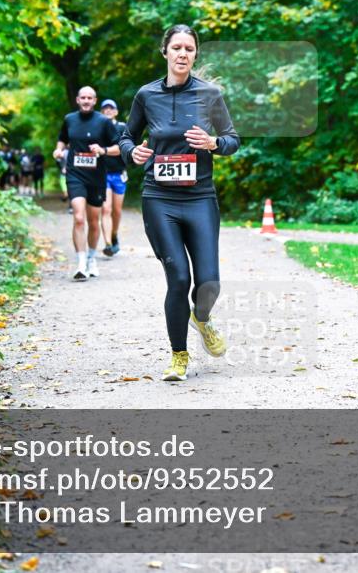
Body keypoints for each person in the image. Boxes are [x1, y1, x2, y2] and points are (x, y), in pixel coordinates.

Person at [119, 24, 240, 381]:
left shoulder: (210, 94)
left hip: (200, 197)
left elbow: (233, 139)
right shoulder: (146, 95)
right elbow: (127, 137)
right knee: (178, 278)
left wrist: (213, 144)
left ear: (195, 54)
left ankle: (201, 319)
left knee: (208, 283)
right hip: (160, 198)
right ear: (165, 52)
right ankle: (179, 356)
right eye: (177, 48)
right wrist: (134, 152)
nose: (183, 54)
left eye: (189, 48)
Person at [53, 86, 121, 281]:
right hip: (75, 174)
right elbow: (62, 140)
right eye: (83, 97)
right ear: (77, 100)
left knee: (93, 221)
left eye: (89, 98)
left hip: (97, 177)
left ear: (95, 100)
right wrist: (58, 150)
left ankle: (91, 258)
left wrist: (103, 150)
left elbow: (119, 147)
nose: (86, 100)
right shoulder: (69, 119)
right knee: (79, 217)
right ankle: (81, 263)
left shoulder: (104, 122)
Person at [99, 99, 128, 256]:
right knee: (106, 209)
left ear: (116, 112)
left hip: (119, 174)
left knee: (116, 211)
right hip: (102, 174)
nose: (108, 111)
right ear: (101, 112)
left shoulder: (123, 127)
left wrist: (104, 150)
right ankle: (108, 244)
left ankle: (114, 235)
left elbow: (122, 149)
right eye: (105, 109)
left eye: (111, 108)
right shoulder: (97, 129)